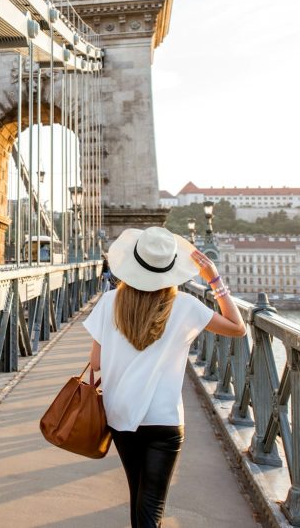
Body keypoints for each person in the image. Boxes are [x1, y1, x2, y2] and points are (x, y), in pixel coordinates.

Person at [83, 226, 246, 527]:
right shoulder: (185, 306)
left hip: (120, 416)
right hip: (165, 419)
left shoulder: (108, 304)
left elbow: (95, 364)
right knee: (152, 505)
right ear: (170, 270)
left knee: (139, 497)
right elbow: (237, 327)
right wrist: (215, 281)